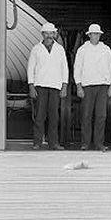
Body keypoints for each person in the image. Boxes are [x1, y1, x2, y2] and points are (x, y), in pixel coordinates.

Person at [73, 23, 111, 151]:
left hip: (103, 86)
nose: (96, 36)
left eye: (98, 34)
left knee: (101, 115)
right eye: (94, 34)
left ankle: (99, 143)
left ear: (100, 35)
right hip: (87, 86)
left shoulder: (106, 49)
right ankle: (85, 143)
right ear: (89, 35)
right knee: (86, 115)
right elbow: (77, 68)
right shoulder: (82, 49)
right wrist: (79, 86)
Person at [27, 22, 68, 150]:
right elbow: (30, 68)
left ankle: (53, 143)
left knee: (54, 116)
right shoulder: (36, 49)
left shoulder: (60, 49)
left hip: (55, 85)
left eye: (51, 33)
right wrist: (31, 86)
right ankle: (37, 142)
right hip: (40, 85)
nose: (49, 36)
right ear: (42, 34)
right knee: (40, 115)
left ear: (54, 34)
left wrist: (64, 86)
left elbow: (64, 68)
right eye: (47, 33)